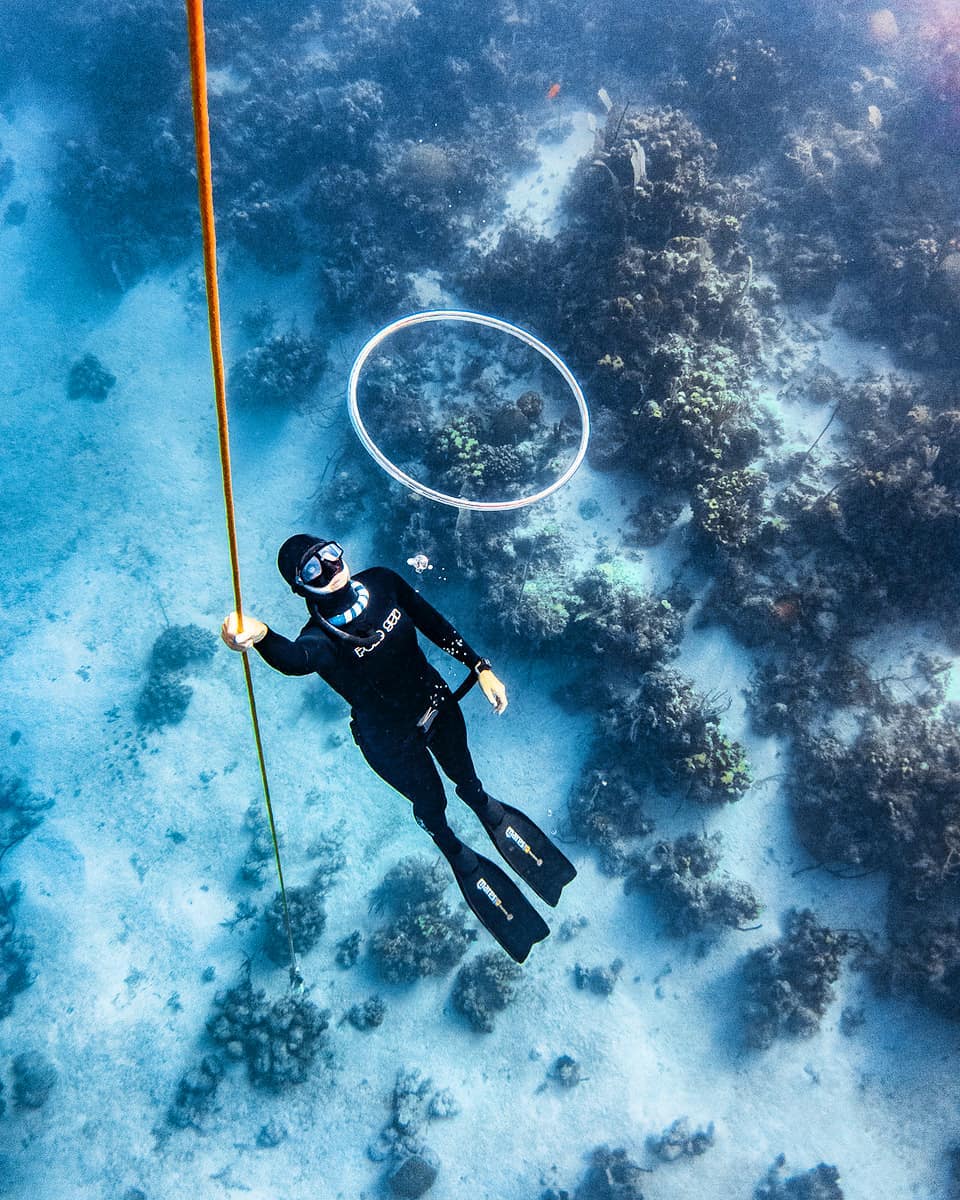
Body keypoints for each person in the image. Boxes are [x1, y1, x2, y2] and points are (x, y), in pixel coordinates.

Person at [221, 535, 575, 962]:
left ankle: (485, 809)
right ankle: (452, 847)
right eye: (312, 569)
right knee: (432, 802)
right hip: (389, 741)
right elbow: (295, 659)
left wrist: (480, 666)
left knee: (467, 779)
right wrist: (260, 635)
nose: (330, 569)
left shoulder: (383, 582)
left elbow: (432, 621)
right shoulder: (319, 638)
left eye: (329, 554)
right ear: (300, 588)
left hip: (437, 703)